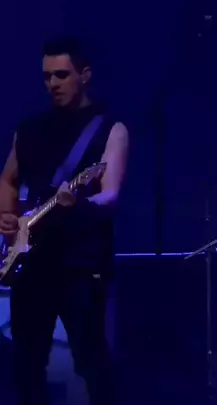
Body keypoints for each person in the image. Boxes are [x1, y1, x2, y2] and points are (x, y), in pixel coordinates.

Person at [0, 37, 128, 405]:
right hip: (32, 264)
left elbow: (110, 194)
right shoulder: (29, 129)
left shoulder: (109, 129)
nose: (52, 83)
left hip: (81, 264)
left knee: (92, 363)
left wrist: (79, 204)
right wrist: (7, 215)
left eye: (61, 75)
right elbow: (8, 179)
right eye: (46, 76)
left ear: (85, 75)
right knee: (27, 367)